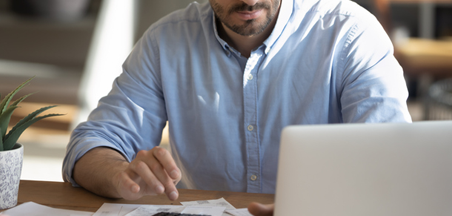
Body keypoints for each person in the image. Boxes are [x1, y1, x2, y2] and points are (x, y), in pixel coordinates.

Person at [62, 0, 412, 201]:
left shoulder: (350, 34)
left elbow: (391, 160)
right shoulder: (165, 41)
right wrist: (120, 173)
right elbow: (90, 145)